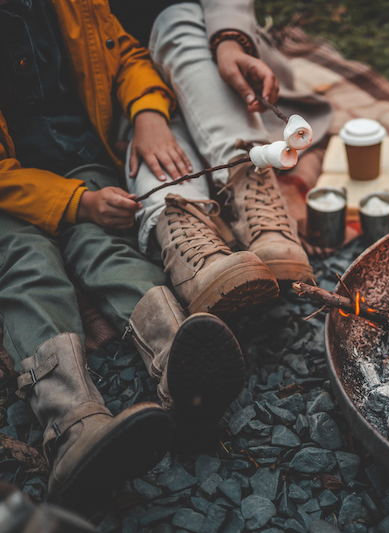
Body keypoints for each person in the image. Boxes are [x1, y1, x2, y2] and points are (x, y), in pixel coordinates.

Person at [0, 0, 247, 509]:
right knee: (30, 269)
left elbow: (126, 55)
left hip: (83, 164)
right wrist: (74, 204)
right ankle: (73, 428)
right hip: (9, 191)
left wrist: (148, 112)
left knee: (105, 247)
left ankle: (179, 356)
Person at [116, 0, 332, 295]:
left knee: (176, 18)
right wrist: (147, 111)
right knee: (156, 144)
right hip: (119, 88)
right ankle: (186, 231)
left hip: (200, 53)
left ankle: (252, 179)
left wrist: (229, 41)